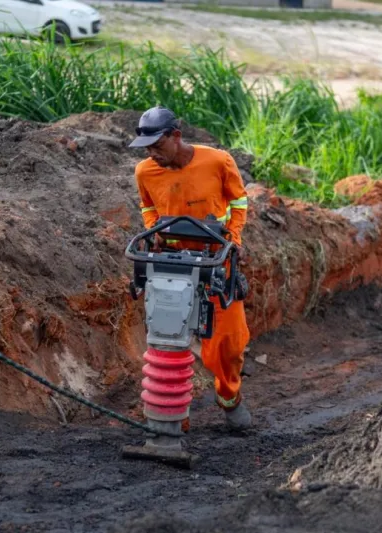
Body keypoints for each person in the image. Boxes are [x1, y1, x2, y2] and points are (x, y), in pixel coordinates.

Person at [130, 106, 252, 430]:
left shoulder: (217, 161)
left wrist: (235, 238)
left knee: (230, 344)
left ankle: (229, 396)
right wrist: (153, 230)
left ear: (176, 136)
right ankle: (172, 414)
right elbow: (148, 207)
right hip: (172, 263)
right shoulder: (145, 172)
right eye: (147, 149)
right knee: (167, 337)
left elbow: (239, 202)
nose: (152, 154)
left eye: (158, 146)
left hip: (215, 260)